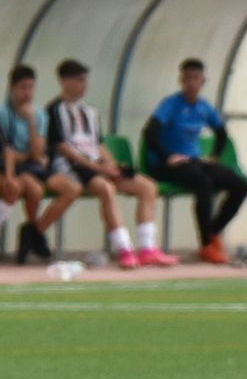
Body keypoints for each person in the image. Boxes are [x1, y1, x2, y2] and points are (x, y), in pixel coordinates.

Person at [44, 59, 178, 269]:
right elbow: (63, 148)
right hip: (73, 169)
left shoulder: (90, 111)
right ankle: (124, 249)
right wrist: (99, 168)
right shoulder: (53, 110)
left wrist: (113, 166)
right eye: (79, 80)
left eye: (85, 80)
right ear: (64, 81)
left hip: (98, 166)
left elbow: (99, 144)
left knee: (148, 187)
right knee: (106, 189)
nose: (84, 85)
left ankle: (148, 249)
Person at [143, 58, 247, 264]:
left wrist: (214, 157)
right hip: (167, 165)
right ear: (181, 80)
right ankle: (206, 245)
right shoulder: (171, 104)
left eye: (196, 78)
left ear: (203, 80)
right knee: (204, 182)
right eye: (187, 78)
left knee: (240, 184)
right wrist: (168, 156)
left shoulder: (204, 107)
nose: (191, 82)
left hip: (194, 162)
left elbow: (221, 133)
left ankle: (213, 232)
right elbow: (150, 132)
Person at [2, 64, 79, 263]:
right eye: (23, 87)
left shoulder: (38, 114)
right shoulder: (4, 114)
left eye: (31, 87)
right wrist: (26, 157)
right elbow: (8, 152)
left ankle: (34, 232)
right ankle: (33, 234)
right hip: (12, 167)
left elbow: (37, 153)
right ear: (12, 88)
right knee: (31, 190)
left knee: (71, 188)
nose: (28, 93)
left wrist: (31, 122)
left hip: (32, 166)